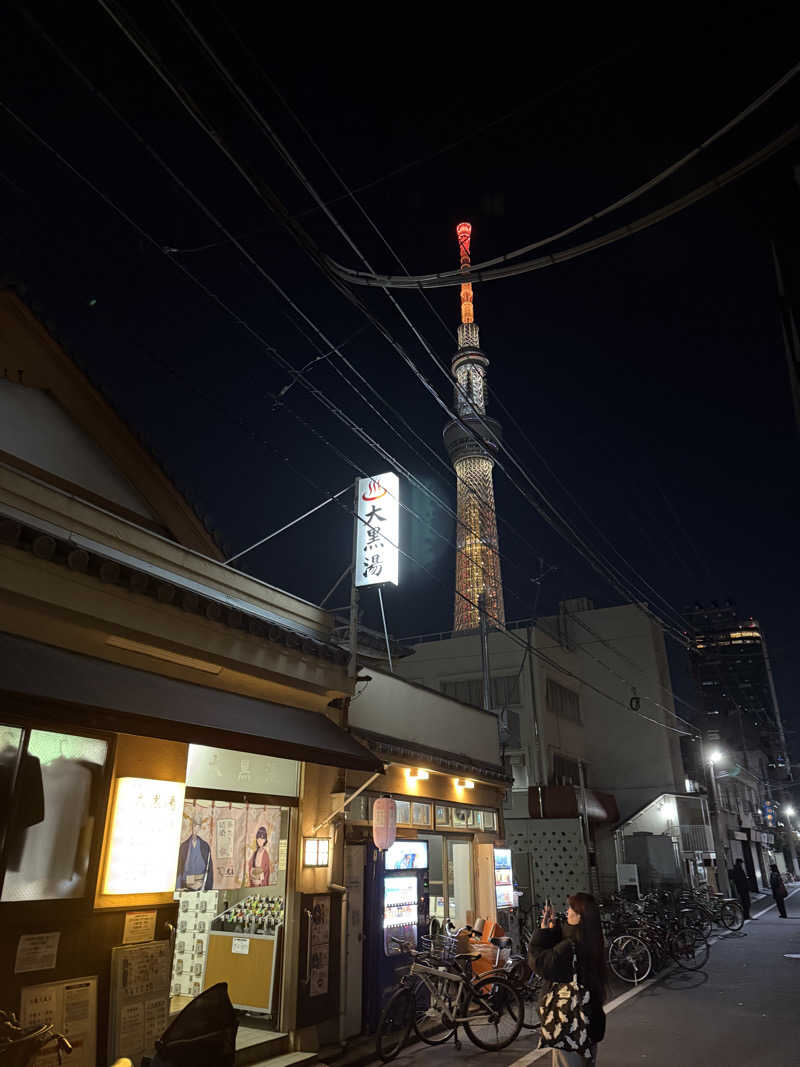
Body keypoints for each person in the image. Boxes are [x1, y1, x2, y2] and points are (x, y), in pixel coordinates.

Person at [529, 893, 607, 1066]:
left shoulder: (569, 947)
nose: (567, 911)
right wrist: (552, 929)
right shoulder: (592, 940)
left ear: (580, 916)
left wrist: (542, 932)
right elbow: (564, 940)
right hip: (589, 1018)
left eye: (571, 908)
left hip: (569, 1022)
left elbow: (539, 961)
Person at [176, 813, 213, 890]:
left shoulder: (205, 846)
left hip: (201, 885)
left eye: (198, 826)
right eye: (194, 825)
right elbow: (179, 868)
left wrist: (207, 887)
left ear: (200, 828)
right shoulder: (184, 846)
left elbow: (209, 869)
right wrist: (178, 887)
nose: (195, 828)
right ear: (191, 826)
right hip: (185, 885)